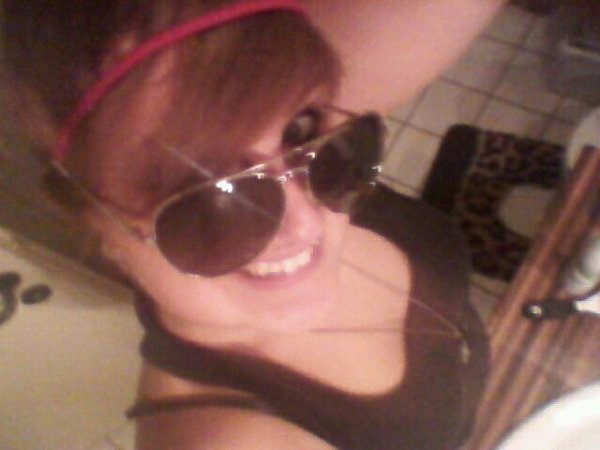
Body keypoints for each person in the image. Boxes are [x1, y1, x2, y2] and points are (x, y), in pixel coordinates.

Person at [3, 1, 505, 448]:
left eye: (299, 130)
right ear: (99, 228)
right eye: (195, 188)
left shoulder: (322, 171)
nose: (304, 222)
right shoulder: (231, 439)